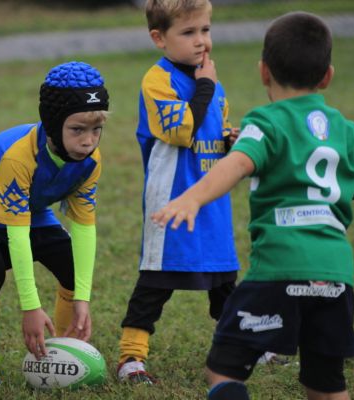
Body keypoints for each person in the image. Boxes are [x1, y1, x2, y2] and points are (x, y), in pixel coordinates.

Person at [152, 11, 354, 400]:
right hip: (336, 278)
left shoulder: (265, 122)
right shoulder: (353, 134)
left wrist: (192, 197)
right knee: (326, 386)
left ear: (263, 72)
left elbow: (236, 163)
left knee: (223, 370)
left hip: (279, 271)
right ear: (328, 76)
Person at [0, 61, 109, 389]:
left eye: (96, 129)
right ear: (52, 123)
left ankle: (60, 352)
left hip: (30, 207)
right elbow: (18, 238)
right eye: (77, 129)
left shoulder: (90, 162)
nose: (89, 140)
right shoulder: (19, 157)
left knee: (72, 267)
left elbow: (84, 229)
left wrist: (82, 298)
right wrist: (31, 307)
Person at [116, 0, 243, 385]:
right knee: (155, 284)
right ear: (159, 38)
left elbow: (213, 129)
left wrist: (230, 140)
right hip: (169, 203)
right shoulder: (159, 80)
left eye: (205, 30)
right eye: (188, 33)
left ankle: (245, 347)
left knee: (224, 283)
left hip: (211, 204)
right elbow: (181, 131)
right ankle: (131, 358)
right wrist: (204, 86)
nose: (201, 41)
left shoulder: (213, 83)